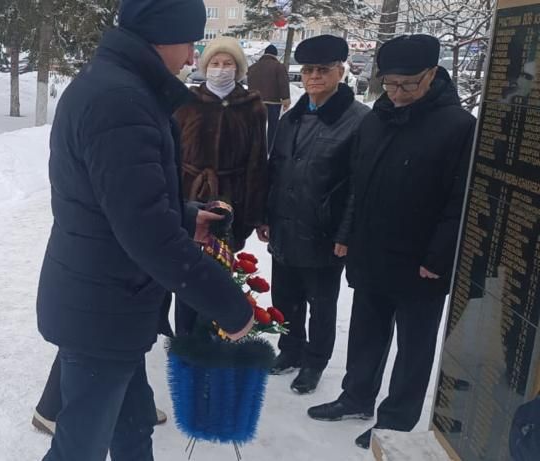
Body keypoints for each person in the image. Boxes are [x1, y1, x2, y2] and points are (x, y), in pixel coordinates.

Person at [35, 0, 256, 458]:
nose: (193, 57)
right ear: (164, 35)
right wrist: (229, 307)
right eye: (191, 43)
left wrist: (186, 214)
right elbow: (145, 233)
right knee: (81, 447)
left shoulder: (120, 86)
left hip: (113, 302)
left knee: (133, 428)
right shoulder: (120, 101)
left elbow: (120, 202)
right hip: (103, 306)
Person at [306, 34, 476, 449]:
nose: (397, 94)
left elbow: (461, 201)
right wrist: (347, 236)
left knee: (413, 346)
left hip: (421, 261)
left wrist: (438, 256)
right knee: (366, 331)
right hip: (371, 250)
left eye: (408, 85)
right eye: (390, 84)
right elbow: (357, 185)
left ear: (432, 75)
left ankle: (397, 420)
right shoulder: (377, 118)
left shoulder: (458, 127)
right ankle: (356, 396)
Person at [259, 35, 370, 395]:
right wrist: (265, 214)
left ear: (341, 70)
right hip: (285, 224)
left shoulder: (357, 121)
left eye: (323, 70)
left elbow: (358, 186)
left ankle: (314, 361)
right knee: (284, 297)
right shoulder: (291, 118)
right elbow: (274, 169)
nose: (314, 77)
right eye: (308, 70)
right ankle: (289, 350)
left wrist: (345, 233)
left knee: (320, 304)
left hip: (323, 231)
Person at [173, 35, 268, 337]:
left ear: (238, 69)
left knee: (222, 271)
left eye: (228, 63)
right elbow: (171, 156)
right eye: (215, 62)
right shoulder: (186, 102)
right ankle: (186, 335)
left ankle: (217, 332)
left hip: (232, 200)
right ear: (205, 66)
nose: (221, 68)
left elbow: (258, 162)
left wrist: (254, 213)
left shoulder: (252, 106)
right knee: (185, 269)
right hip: (189, 196)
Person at [247, 44, 292, 145]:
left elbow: (249, 83)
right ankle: (270, 148)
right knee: (273, 127)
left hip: (255, 102)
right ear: (275, 55)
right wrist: (286, 99)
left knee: (257, 127)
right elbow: (283, 83)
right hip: (273, 102)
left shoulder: (252, 67)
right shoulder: (279, 67)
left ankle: (255, 147)